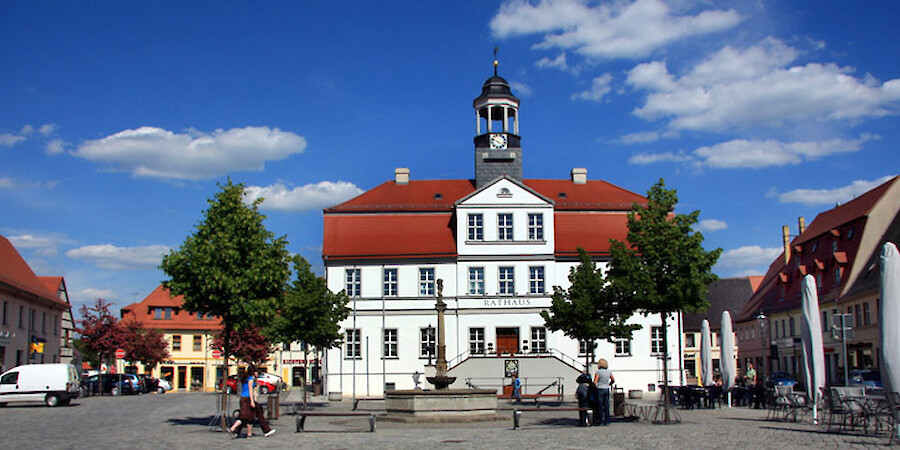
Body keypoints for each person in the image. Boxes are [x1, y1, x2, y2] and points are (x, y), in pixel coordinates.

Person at [228, 367, 275, 438]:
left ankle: (245, 433)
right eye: (256, 372)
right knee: (244, 416)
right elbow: (250, 390)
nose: (257, 373)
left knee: (249, 416)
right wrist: (252, 401)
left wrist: (256, 378)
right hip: (247, 399)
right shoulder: (250, 379)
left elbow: (256, 384)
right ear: (253, 372)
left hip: (244, 398)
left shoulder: (248, 379)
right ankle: (233, 428)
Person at [593, 358, 615, 426]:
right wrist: (609, 384)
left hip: (600, 389)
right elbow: (613, 380)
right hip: (606, 388)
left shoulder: (598, 372)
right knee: (606, 405)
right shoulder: (609, 371)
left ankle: (600, 421)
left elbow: (595, 381)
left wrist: (594, 385)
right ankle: (607, 421)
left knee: (599, 406)